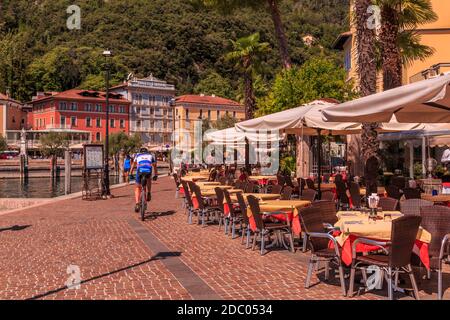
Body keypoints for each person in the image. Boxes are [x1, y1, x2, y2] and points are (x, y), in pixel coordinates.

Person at [130, 147, 158, 213]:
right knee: (148, 179)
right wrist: (156, 174)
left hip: (140, 172)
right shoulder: (150, 156)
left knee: (137, 187)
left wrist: (130, 173)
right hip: (148, 171)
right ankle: (149, 192)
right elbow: (154, 166)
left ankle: (137, 204)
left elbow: (133, 165)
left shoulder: (137, 155)